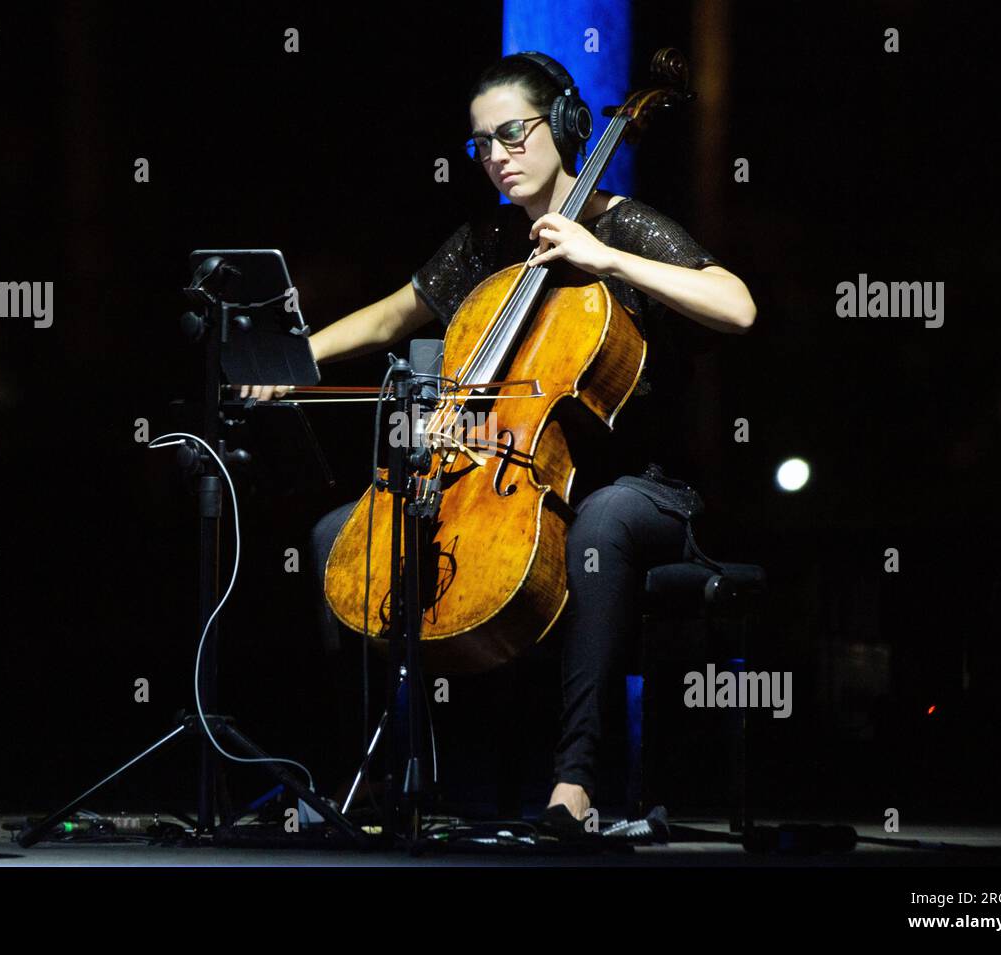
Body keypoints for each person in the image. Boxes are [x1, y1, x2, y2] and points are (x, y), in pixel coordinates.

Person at [234, 53, 756, 823]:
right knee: (339, 537)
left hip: (639, 488)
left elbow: (736, 306)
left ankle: (574, 786)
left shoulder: (622, 224)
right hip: (510, 479)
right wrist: (294, 359)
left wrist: (606, 258)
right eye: (482, 144)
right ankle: (376, 774)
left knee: (602, 521)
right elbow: (395, 314)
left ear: (566, 127)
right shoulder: (486, 242)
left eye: (513, 134)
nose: (497, 157)